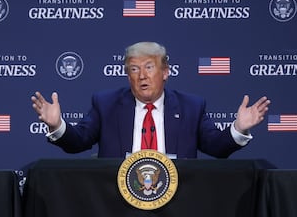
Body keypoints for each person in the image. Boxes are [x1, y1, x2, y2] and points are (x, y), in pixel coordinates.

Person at [31, 41, 270, 158]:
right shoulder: (106, 104)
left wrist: (238, 129)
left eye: (148, 67)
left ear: (165, 72)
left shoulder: (191, 106)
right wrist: (57, 125)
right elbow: (78, 142)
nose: (142, 76)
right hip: (117, 199)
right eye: (134, 70)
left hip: (178, 198)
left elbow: (216, 146)